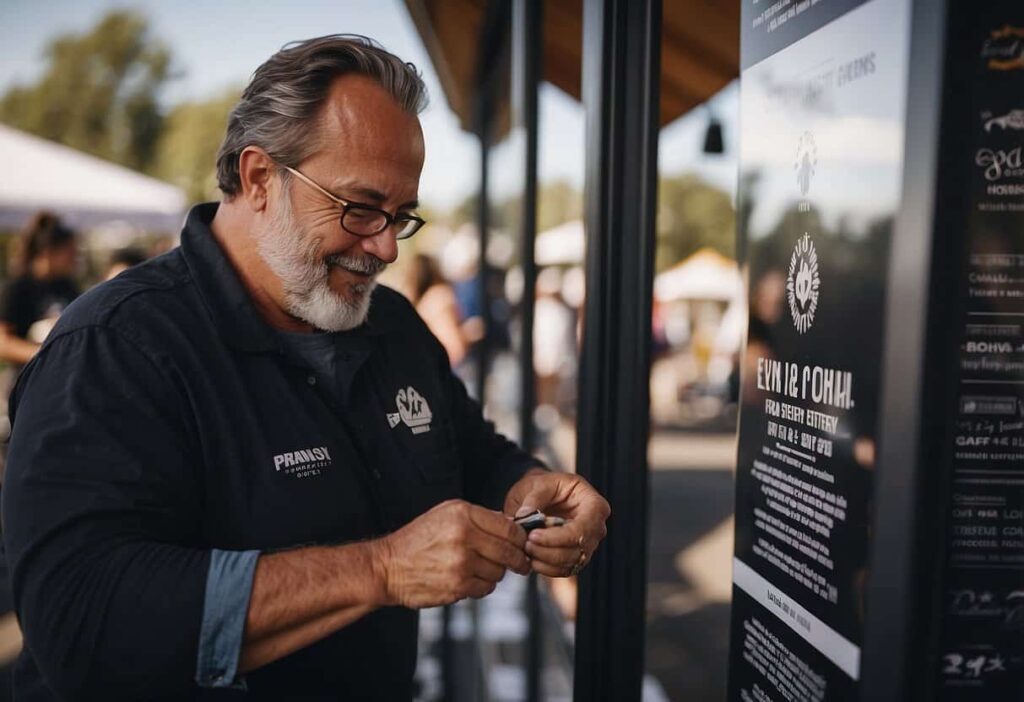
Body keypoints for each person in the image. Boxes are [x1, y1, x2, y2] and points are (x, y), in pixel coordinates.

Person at [1, 35, 609, 701]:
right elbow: (82, 623)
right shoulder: (116, 346)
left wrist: (530, 489)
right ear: (260, 178)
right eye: (360, 208)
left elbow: (469, 453)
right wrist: (380, 570)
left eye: (401, 217)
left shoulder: (393, 325)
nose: (386, 247)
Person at [0, 212, 79, 368]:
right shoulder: (19, 288)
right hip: (27, 377)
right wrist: (45, 354)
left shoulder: (67, 286)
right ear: (48, 251)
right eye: (69, 252)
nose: (74, 258)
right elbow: (4, 343)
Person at [405, 253, 471, 366]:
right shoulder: (440, 297)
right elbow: (455, 348)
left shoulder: (419, 302)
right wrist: (471, 333)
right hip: (452, 368)